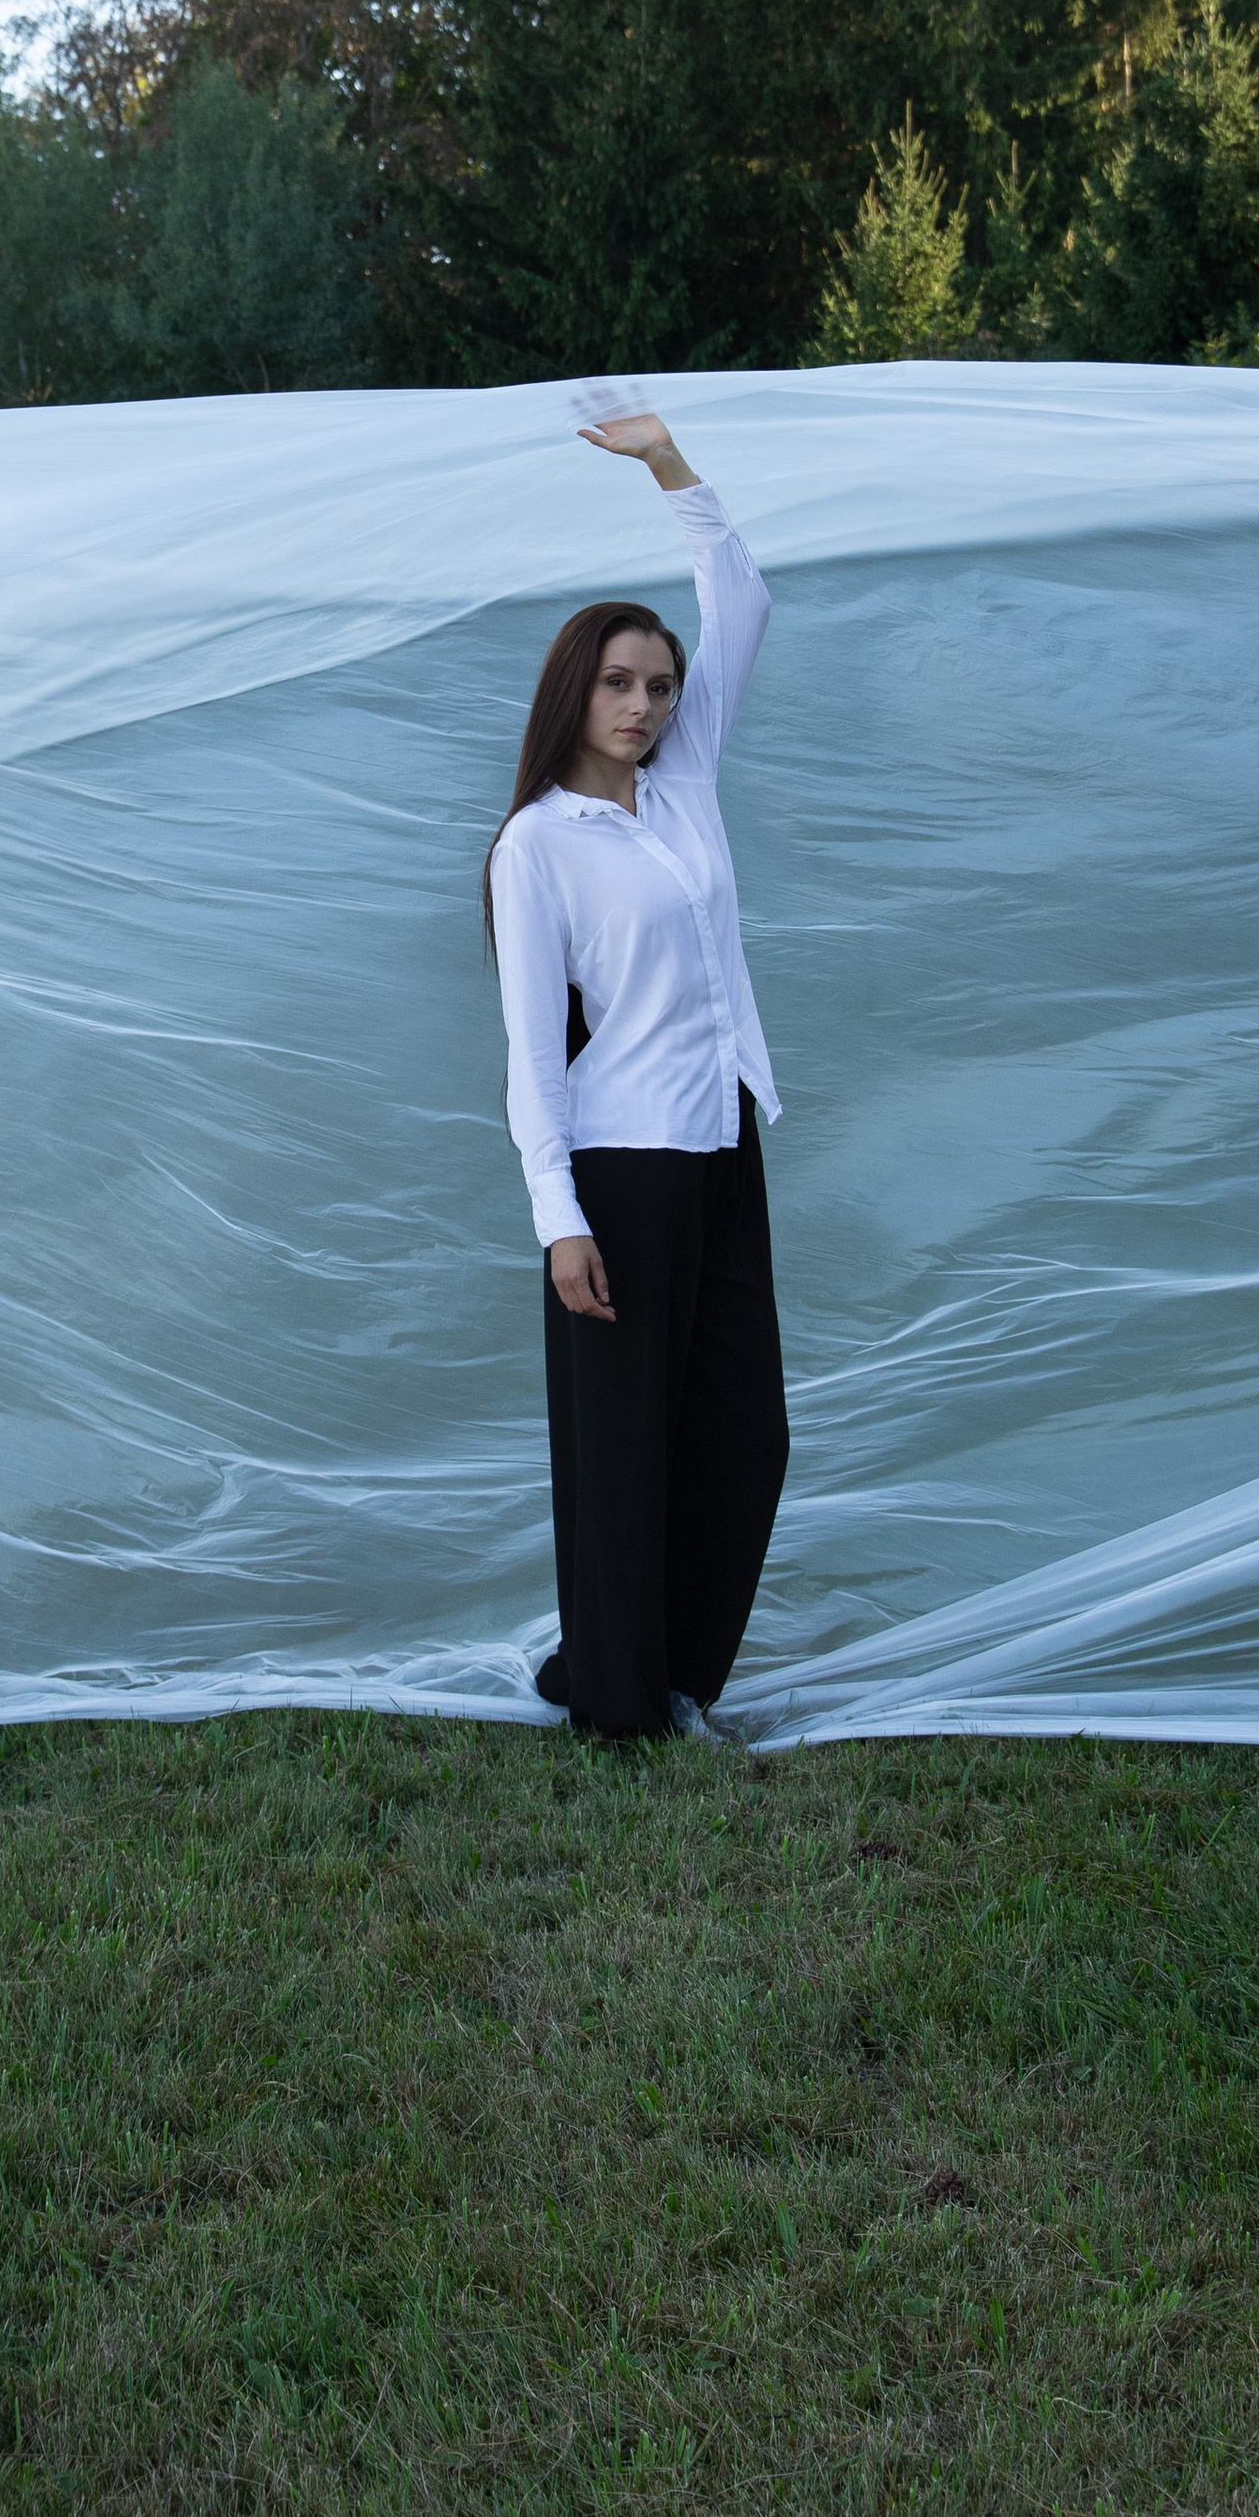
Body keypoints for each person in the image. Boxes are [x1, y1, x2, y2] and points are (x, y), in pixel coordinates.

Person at [484, 410, 789, 1741]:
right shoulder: (538, 845)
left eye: (660, 684)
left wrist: (672, 465)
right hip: (617, 1165)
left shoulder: (689, 784)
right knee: (622, 1455)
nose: (646, 705)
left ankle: (662, 1667)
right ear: (576, 689)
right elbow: (530, 1048)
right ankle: (618, 1706)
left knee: (743, 1435)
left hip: (722, 1142)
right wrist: (559, 1216)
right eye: (620, 681)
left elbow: (743, 594)